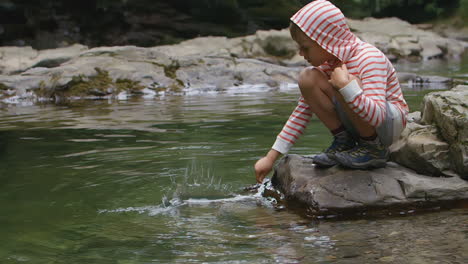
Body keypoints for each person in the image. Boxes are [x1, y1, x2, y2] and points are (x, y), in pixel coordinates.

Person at [255, 0, 408, 183]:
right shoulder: (330, 64)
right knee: (307, 78)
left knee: (349, 82)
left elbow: (377, 116)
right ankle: (345, 142)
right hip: (363, 118)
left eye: (305, 47)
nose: (302, 54)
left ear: (326, 40)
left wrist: (346, 87)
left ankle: (373, 149)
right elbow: (302, 112)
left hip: (388, 123)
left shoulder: (369, 58)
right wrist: (270, 157)